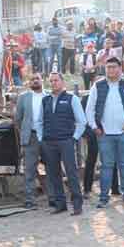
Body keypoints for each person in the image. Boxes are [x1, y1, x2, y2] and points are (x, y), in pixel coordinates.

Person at [85, 57, 124, 208]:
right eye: (108, 67)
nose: (111, 70)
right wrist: (94, 126)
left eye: (114, 67)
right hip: (104, 134)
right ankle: (104, 198)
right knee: (106, 166)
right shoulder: (98, 86)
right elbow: (89, 109)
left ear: (120, 68)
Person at [41, 72, 86, 215]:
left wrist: (74, 138)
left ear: (62, 82)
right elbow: (40, 121)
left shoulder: (72, 99)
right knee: (53, 174)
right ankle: (60, 204)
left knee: (71, 173)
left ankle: (77, 204)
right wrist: (42, 138)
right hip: (49, 142)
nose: (53, 83)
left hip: (66, 141)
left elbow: (82, 122)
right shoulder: (45, 100)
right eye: (51, 81)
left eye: (56, 80)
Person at [13, 74, 46, 209]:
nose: (35, 81)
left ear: (42, 80)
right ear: (29, 83)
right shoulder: (23, 98)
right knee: (29, 170)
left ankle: (55, 197)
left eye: (37, 79)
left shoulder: (48, 96)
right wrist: (25, 132)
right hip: (30, 137)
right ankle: (30, 200)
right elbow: (18, 119)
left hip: (47, 137)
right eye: (32, 80)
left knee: (52, 167)